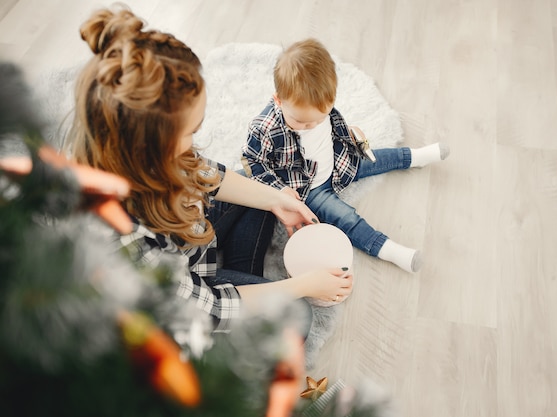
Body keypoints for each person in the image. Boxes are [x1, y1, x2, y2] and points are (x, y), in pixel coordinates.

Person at [64, 6, 353, 335]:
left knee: (257, 193)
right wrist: (303, 286)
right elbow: (210, 309)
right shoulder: (125, 240)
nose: (193, 142)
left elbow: (206, 174)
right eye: (189, 133)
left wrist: (278, 200)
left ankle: (245, 277)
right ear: (147, 147)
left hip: (193, 254)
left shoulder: (136, 153)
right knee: (296, 315)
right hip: (187, 308)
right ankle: (246, 296)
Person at [242, 38, 449, 273]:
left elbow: (332, 126)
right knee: (345, 218)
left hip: (340, 159)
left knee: (378, 157)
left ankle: (415, 156)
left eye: (320, 118)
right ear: (279, 100)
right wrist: (280, 191)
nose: (312, 125)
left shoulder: (320, 104)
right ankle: (389, 249)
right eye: (302, 122)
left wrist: (349, 134)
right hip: (310, 188)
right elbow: (252, 163)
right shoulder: (264, 128)